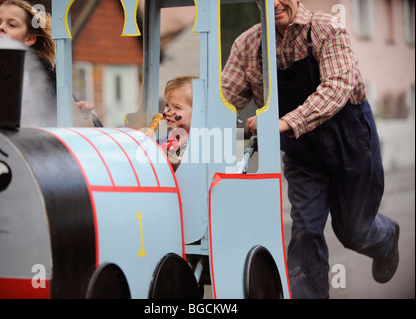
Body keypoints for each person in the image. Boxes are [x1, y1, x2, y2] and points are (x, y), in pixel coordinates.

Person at [221, 0, 399, 298]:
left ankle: (385, 238)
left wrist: (281, 123)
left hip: (350, 145)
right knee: (304, 228)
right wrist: (180, 123)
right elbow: (223, 102)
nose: (275, 2)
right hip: (303, 154)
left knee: (353, 231)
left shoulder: (327, 29)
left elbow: (337, 87)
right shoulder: (247, 45)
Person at [0, 0, 95, 127]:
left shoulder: (45, 75)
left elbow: (82, 121)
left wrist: (81, 114)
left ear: (29, 39)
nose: (0, 27)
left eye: (12, 25)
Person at [158, 75, 197, 171]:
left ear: (198, 112)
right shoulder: (165, 140)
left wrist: (158, 153)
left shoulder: (198, 142)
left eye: (177, 107)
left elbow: (179, 162)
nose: (167, 112)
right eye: (167, 105)